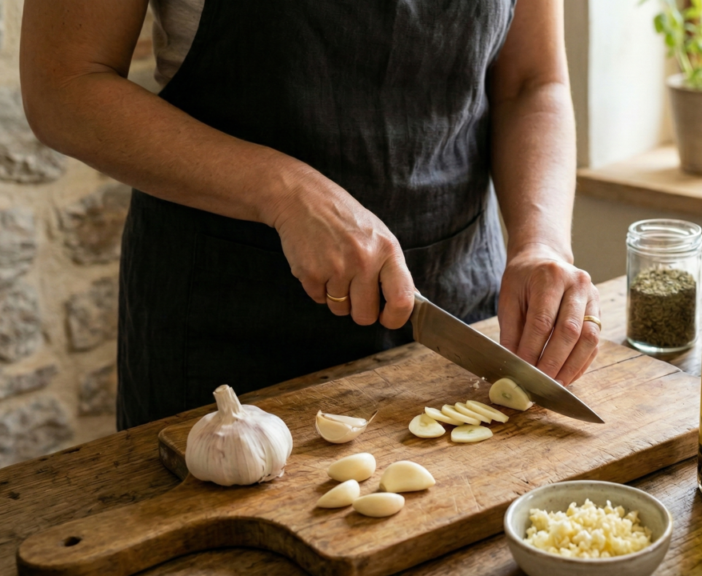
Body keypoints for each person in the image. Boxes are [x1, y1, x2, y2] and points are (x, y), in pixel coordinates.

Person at [20, 0, 601, 429]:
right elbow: (62, 85)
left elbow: (531, 81)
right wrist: (284, 190)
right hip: (224, 331)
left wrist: (542, 241)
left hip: (456, 313)